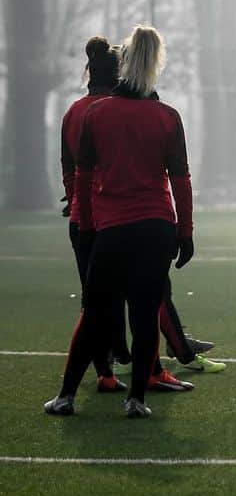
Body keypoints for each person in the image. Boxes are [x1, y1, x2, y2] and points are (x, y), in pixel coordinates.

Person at [45, 25, 195, 419]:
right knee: (145, 315)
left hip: (112, 228)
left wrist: (88, 225)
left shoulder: (96, 113)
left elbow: (81, 174)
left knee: (95, 311)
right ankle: (136, 401)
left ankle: (66, 397)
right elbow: (180, 180)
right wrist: (185, 232)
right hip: (157, 226)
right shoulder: (167, 116)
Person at [59, 38, 127, 394]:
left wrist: (73, 198)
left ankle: (106, 370)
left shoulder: (74, 111)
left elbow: (68, 164)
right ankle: (133, 359)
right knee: (130, 295)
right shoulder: (114, 111)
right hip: (113, 218)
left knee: (92, 298)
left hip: (80, 219)